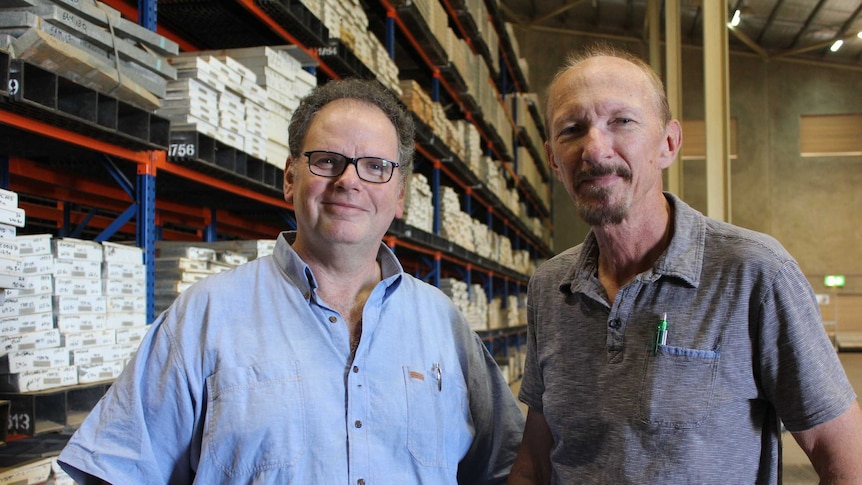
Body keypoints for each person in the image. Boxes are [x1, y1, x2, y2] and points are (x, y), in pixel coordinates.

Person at [58, 78, 525, 484]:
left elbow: (511, 468)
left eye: (376, 167)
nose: (349, 180)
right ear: (289, 178)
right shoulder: (204, 316)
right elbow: (119, 473)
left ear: (399, 196)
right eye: (327, 160)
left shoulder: (443, 324)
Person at [507, 44, 862, 484]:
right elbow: (536, 461)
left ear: (668, 144)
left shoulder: (753, 273)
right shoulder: (549, 287)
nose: (594, 149)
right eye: (572, 129)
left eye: (622, 121)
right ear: (553, 162)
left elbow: (845, 459)